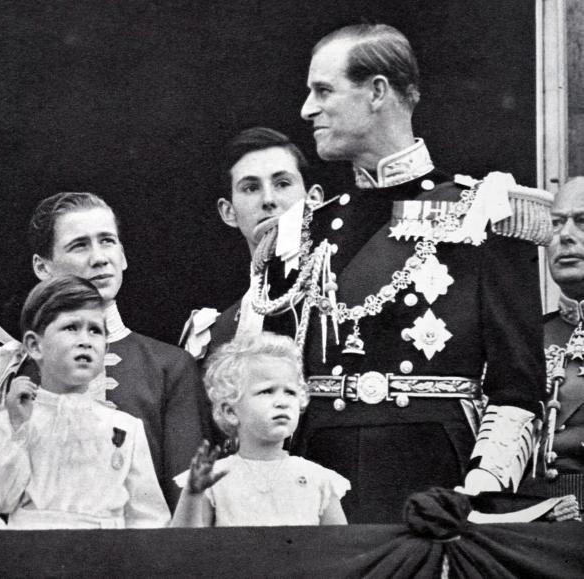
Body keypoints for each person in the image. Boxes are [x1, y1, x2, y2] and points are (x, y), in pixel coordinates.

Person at [282, 24, 546, 523]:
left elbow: (518, 388)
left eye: (323, 91)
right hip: (318, 485)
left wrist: (478, 492)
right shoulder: (305, 230)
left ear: (378, 91)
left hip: (437, 484)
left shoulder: (483, 212)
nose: (307, 110)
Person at [0, 191, 205, 508]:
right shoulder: (19, 369)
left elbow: (186, 494)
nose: (99, 257)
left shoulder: (169, 365)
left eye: (107, 241)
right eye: (80, 245)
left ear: (123, 256)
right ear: (43, 268)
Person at [0, 275, 169, 529]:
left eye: (95, 330)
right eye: (71, 327)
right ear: (35, 346)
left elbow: (149, 518)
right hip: (33, 555)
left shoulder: (125, 427)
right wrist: (18, 429)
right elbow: (0, 500)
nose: (85, 340)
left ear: (106, 348)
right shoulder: (5, 424)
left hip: (109, 558)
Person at [180, 128, 323, 445]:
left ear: (314, 198)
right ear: (228, 212)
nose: (269, 200)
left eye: (283, 184)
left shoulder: (345, 302)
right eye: (250, 188)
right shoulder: (217, 334)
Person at [171, 332, 348, 527]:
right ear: (230, 411)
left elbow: (342, 550)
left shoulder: (319, 479)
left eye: (290, 392)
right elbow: (184, 547)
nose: (282, 403)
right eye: (267, 391)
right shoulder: (214, 478)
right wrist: (192, 495)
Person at [520, 176, 584, 507]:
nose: (565, 236)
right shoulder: (526, 336)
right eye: (556, 224)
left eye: (582, 221)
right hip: (530, 522)